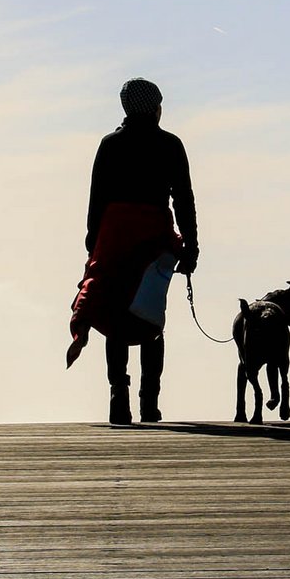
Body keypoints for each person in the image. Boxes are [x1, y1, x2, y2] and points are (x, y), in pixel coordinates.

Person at [67, 78, 199, 425]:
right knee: (151, 315)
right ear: (155, 108)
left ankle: (118, 396)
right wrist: (191, 245)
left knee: (115, 316)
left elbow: (97, 200)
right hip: (154, 241)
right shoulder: (170, 145)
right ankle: (149, 402)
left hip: (115, 238)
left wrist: (94, 242)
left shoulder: (111, 145)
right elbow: (183, 199)